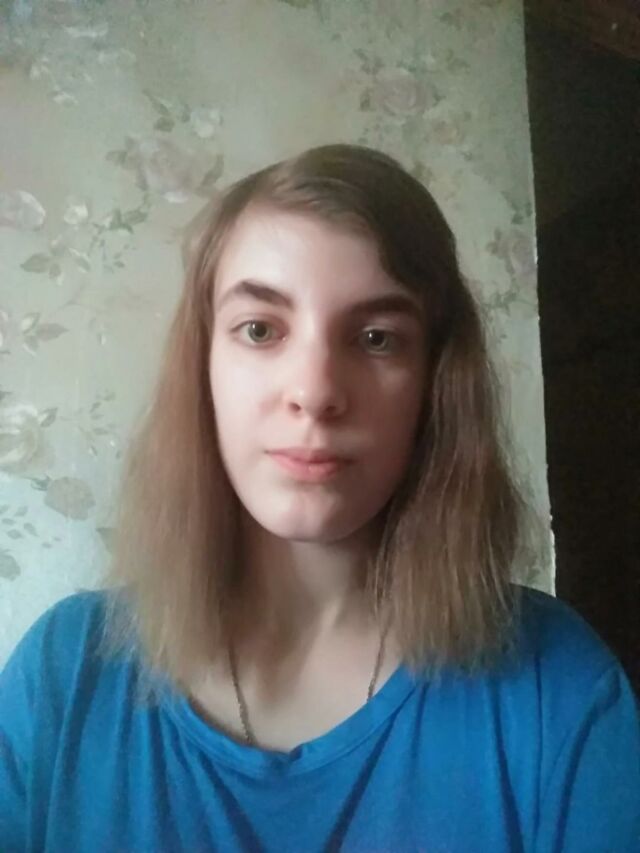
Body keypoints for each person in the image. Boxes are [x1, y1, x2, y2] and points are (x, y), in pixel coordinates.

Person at [1, 144, 638, 852]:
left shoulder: (558, 688)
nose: (315, 390)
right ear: (203, 366)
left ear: (435, 384)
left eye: (376, 338)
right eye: (260, 329)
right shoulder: (62, 676)